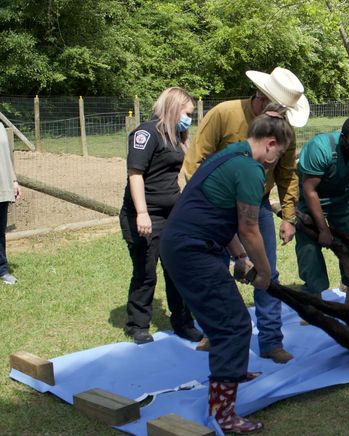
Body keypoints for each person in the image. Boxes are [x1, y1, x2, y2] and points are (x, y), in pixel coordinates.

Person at [160, 105, 294, 433]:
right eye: (281, 152)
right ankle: (224, 414)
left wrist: (238, 257)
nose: (276, 160)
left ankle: (231, 370)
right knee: (233, 325)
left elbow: (223, 216)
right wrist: (264, 273)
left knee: (228, 317)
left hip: (185, 245)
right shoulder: (249, 170)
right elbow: (249, 228)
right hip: (192, 251)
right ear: (271, 143)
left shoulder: (228, 154)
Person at [182, 67, 309, 364]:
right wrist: (208, 204)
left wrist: (289, 216)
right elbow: (195, 162)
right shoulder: (224, 114)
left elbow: (288, 172)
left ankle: (271, 341)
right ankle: (216, 332)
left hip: (258, 204)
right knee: (217, 270)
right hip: (217, 206)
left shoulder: (284, 130)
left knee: (268, 272)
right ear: (263, 100)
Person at [119, 87, 200, 344]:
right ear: (174, 108)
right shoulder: (146, 132)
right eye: (187, 113)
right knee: (145, 272)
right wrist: (142, 213)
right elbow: (135, 174)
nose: (190, 118)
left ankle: (183, 321)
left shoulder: (177, 135)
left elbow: (186, 171)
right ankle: (138, 325)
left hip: (172, 216)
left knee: (177, 269)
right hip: (144, 215)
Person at [295, 116, 349, 298]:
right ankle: (314, 297)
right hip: (311, 198)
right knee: (309, 249)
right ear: (342, 137)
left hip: (342, 198)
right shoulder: (320, 148)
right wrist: (323, 229)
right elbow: (309, 190)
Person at [0, 123, 21, 285]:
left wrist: (14, 181)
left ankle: (2, 270)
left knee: (0, 232)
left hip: (3, 186)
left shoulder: (0, 126)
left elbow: (6, 156)